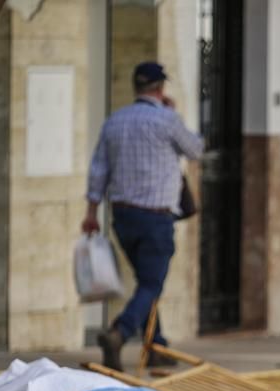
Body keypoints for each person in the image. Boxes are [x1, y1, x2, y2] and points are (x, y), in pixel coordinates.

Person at [83, 62, 204, 370]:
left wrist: (91, 212)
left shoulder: (114, 121)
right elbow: (196, 150)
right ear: (160, 88)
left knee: (147, 282)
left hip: (123, 217)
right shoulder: (167, 120)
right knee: (152, 283)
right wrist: (175, 112)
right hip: (156, 218)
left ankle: (156, 346)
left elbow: (98, 170)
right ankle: (119, 333)